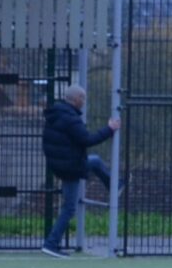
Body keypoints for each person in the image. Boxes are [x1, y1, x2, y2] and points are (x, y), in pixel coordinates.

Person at [40, 84, 118, 255]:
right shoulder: (70, 118)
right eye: (82, 98)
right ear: (76, 100)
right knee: (69, 207)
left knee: (95, 162)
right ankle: (51, 243)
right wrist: (109, 129)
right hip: (70, 166)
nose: (84, 101)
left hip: (60, 164)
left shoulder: (56, 114)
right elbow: (87, 139)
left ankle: (115, 186)